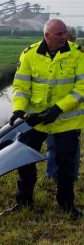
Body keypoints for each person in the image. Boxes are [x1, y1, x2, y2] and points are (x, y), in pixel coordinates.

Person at [9, 19, 84, 217]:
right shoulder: (29, 55)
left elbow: (81, 88)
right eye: (59, 33)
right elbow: (21, 87)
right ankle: (24, 201)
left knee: (65, 165)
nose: (64, 36)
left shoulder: (78, 55)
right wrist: (18, 110)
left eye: (65, 33)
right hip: (35, 120)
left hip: (66, 121)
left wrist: (58, 109)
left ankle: (66, 204)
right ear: (47, 35)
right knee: (23, 160)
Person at [46, 25, 81, 180]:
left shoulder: (78, 54)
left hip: (67, 113)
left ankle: (56, 174)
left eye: (65, 37)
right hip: (57, 112)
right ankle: (64, 174)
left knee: (62, 146)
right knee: (64, 146)